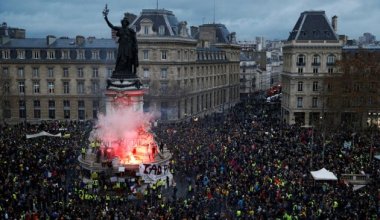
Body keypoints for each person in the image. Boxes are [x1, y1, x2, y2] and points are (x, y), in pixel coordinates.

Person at [103, 4, 139, 79]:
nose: (124, 23)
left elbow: (134, 40)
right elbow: (112, 26)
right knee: (121, 58)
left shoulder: (130, 31)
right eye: (123, 22)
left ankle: (128, 71)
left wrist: (135, 47)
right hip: (122, 47)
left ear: (127, 23)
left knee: (128, 59)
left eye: (125, 22)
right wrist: (106, 19)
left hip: (128, 47)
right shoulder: (120, 29)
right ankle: (119, 70)